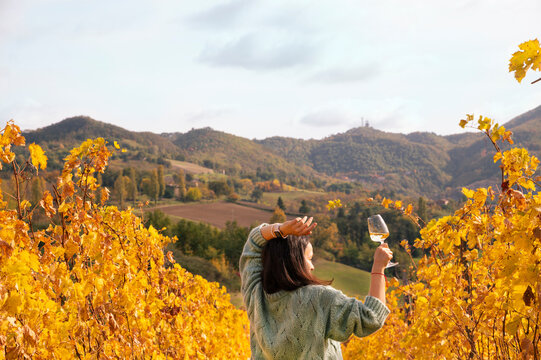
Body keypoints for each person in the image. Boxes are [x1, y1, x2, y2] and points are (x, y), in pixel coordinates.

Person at [240, 216, 392, 359]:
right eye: (309, 258)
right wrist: (378, 268)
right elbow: (371, 318)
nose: (312, 266)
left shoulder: (255, 292)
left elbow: (253, 243)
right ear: (295, 260)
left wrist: (281, 229)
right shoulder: (319, 298)